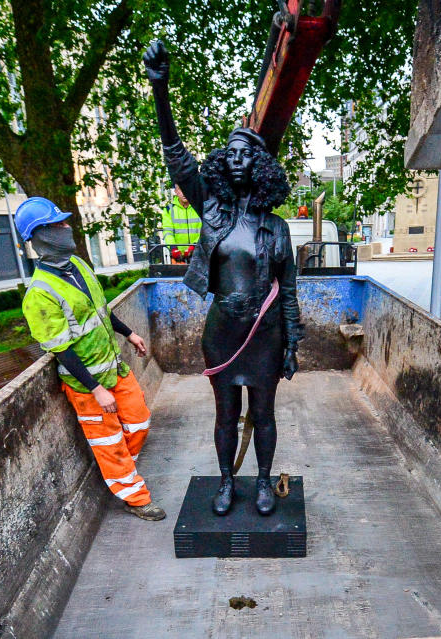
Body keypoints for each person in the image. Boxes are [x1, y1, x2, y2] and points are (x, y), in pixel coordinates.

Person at [143, 40, 303, 516]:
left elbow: (290, 290)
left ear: (260, 167)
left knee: (265, 413)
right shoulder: (211, 211)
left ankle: (260, 483)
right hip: (222, 331)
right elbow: (176, 157)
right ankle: (228, 481)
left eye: (246, 153)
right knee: (225, 414)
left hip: (266, 333)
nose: (236, 158)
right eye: (229, 152)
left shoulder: (277, 228)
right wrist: (160, 92)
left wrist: (293, 343)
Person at [14, 197, 166, 521]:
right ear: (41, 236)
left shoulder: (79, 265)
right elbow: (60, 350)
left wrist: (129, 333)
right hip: (87, 386)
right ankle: (135, 497)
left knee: (139, 420)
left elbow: (101, 311)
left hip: (114, 367)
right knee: (108, 442)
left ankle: (120, 471)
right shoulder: (39, 294)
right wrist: (95, 388)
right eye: (59, 224)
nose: (68, 228)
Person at [161, 185, 201, 263]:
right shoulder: (169, 210)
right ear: (175, 191)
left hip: (199, 254)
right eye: (181, 190)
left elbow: (205, 230)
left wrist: (195, 245)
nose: (184, 193)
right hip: (178, 257)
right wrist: (173, 248)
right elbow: (167, 232)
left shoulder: (199, 207)